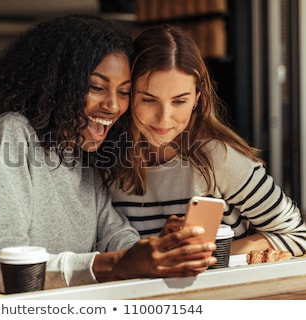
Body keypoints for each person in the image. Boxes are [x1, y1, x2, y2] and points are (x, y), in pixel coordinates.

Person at [0, 16, 217, 300]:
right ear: (59, 84)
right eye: (97, 87)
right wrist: (117, 264)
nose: (112, 105)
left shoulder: (84, 151)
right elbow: (0, 269)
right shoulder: (12, 133)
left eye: (123, 92)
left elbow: (115, 236)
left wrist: (160, 249)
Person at [109, 24, 306, 257]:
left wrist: (218, 252)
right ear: (128, 95)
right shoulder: (106, 163)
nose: (164, 118)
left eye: (179, 101)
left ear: (196, 100)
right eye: (149, 100)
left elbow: (298, 236)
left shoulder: (218, 159)